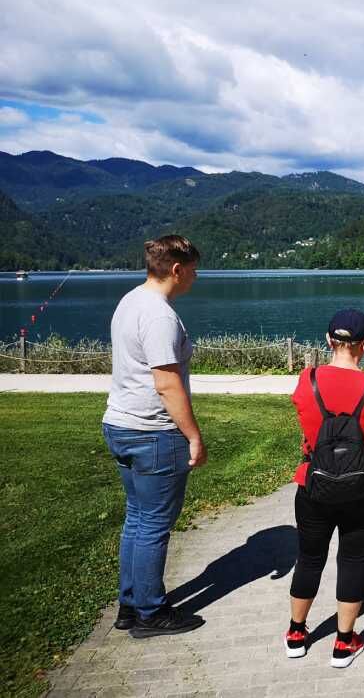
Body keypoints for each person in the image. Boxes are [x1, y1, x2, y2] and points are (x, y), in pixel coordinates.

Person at [101, 235, 207, 638]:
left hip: (121, 424)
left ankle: (130, 604)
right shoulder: (161, 316)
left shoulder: (130, 301)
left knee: (137, 517)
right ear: (176, 270)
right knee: (153, 525)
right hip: (154, 433)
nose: (195, 277)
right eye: (193, 270)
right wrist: (193, 436)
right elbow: (166, 383)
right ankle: (150, 612)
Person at [285, 309, 364, 667]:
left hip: (313, 484)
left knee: (309, 557)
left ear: (329, 340)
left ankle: (296, 634)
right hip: (362, 486)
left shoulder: (308, 379)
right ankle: (344, 642)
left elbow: (305, 420)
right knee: (353, 559)